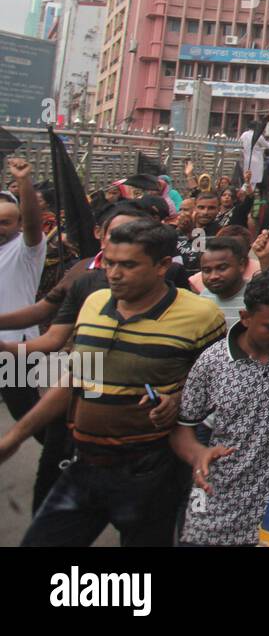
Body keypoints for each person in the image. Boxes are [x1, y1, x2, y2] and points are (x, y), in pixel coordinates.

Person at [0, 219, 225, 546]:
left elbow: (213, 386)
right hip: (83, 464)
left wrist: (176, 400)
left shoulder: (202, 316)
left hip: (150, 474)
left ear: (162, 265)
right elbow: (77, 380)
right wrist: (15, 436)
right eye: (110, 262)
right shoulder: (92, 304)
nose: (114, 273)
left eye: (128, 265)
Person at [172, 267, 269, 546]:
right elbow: (183, 430)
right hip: (217, 506)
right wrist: (198, 454)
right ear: (245, 318)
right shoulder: (212, 363)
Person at [0, 157, 49, 425]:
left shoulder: (27, 250)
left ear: (18, 225)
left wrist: (23, 182)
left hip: (17, 349)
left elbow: (33, 224)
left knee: (28, 417)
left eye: (5, 222)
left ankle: (61, 459)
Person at [177, 191, 221, 278]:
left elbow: (204, 259)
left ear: (218, 210)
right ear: (194, 208)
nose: (205, 212)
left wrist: (189, 233)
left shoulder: (220, 232)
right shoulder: (182, 227)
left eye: (211, 208)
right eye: (201, 207)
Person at [238, 120, 269, 195]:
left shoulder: (244, 134)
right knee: (253, 180)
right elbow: (268, 146)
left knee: (247, 179)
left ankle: (243, 194)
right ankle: (247, 195)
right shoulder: (258, 136)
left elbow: (240, 144)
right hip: (256, 160)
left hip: (246, 159)